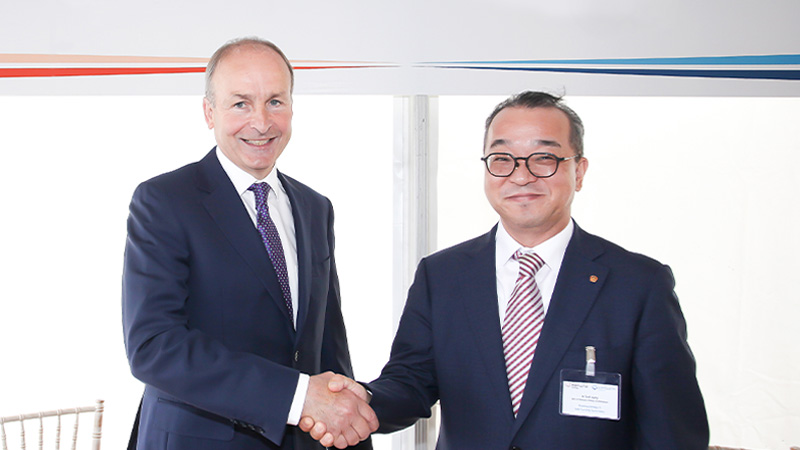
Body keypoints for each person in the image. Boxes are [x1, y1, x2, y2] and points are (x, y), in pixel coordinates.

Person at [303, 91, 709, 449]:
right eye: (502, 158)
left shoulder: (638, 285)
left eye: (544, 158)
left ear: (579, 171)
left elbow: (672, 432)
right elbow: (411, 382)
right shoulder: (442, 276)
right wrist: (359, 401)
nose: (521, 174)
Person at [122, 37, 376, 450]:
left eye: (275, 101)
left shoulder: (315, 208)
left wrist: (351, 432)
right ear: (209, 112)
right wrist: (296, 396)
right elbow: (154, 347)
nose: (261, 122)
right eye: (241, 103)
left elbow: (328, 345)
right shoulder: (164, 201)